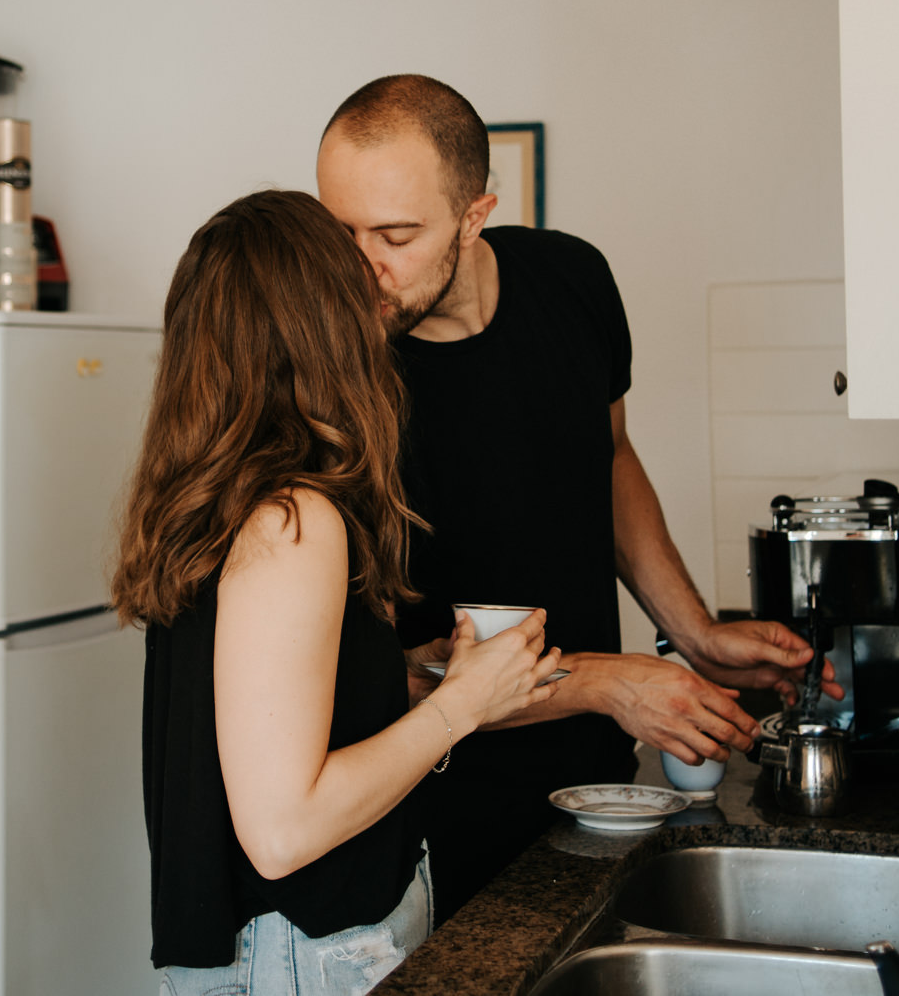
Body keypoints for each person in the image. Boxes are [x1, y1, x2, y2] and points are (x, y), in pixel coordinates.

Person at [314, 74, 841, 920]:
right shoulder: (340, 382)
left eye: (396, 234)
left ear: (475, 215)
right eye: (339, 231)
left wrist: (692, 632)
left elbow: (609, 453)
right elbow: (390, 680)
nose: (357, 266)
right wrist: (608, 680)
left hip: (598, 788)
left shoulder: (574, 280)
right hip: (429, 824)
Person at [112, 189, 565, 995]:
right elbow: (283, 831)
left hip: (286, 951)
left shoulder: (228, 497)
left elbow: (260, 720)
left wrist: (399, 674)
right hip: (305, 956)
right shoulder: (293, 519)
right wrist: (463, 705)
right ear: (323, 325)